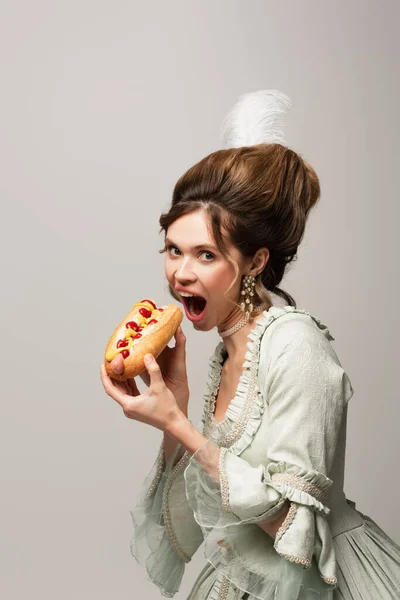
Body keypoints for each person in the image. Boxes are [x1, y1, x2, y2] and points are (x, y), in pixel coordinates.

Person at [100, 91, 400, 600]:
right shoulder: (225, 350)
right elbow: (192, 523)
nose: (180, 273)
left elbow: (292, 525)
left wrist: (177, 425)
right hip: (241, 576)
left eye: (205, 254)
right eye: (173, 249)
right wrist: (176, 408)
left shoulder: (297, 344)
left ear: (256, 261)